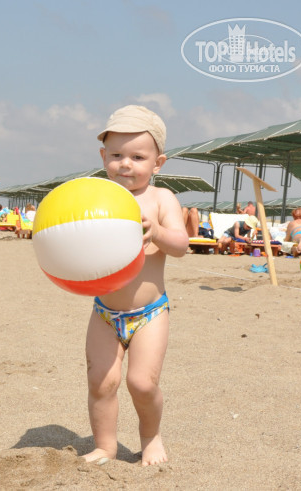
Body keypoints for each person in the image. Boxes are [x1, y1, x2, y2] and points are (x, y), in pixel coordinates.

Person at [83, 105, 188, 467]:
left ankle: (151, 437)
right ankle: (105, 446)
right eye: (116, 155)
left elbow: (181, 245)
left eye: (138, 157)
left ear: (158, 163)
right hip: (104, 312)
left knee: (142, 383)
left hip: (149, 313)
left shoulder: (161, 199)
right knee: (101, 382)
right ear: (103, 157)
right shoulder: (97, 198)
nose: (125, 164)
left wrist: (156, 231)